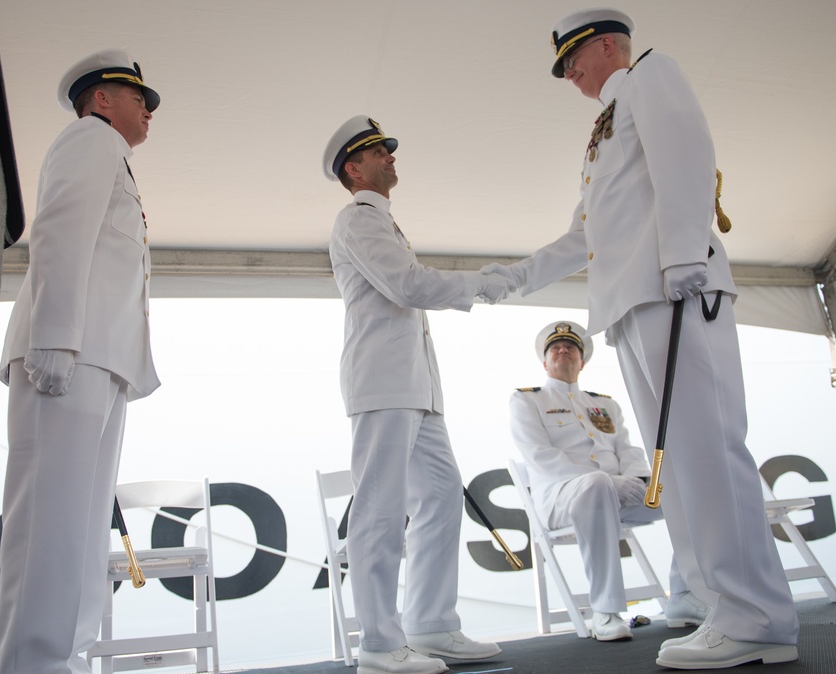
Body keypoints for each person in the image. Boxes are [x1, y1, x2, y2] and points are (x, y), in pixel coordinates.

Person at [486, 8, 799, 669]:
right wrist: (509, 280)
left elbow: (688, 150)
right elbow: (583, 236)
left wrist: (685, 253)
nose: (569, 73)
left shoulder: (651, 76)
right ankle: (725, 607)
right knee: (680, 462)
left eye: (574, 58)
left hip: (672, 287)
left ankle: (756, 615)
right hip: (633, 302)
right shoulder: (601, 133)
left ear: (607, 46)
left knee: (708, 451)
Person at [323, 115, 514, 674]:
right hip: (383, 383)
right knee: (380, 509)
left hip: (417, 386)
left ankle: (431, 624)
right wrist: (478, 284)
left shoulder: (385, 223)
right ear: (353, 169)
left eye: (388, 149)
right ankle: (380, 644)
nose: (390, 156)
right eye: (378, 152)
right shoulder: (357, 220)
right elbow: (406, 286)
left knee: (439, 494)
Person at [0, 49, 162, 674]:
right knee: (48, 524)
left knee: (80, 526)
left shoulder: (111, 154)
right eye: (137, 96)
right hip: (68, 352)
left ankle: (61, 658)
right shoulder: (88, 140)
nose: (149, 109)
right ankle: (31, 663)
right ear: (100, 100)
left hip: (99, 358)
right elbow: (61, 230)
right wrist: (56, 337)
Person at [510, 320, 708, 642]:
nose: (563, 350)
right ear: (544, 362)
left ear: (582, 361)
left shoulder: (604, 404)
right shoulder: (527, 400)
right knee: (598, 485)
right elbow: (540, 456)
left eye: (571, 347)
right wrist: (605, 480)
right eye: (555, 348)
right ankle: (605, 611)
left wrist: (634, 478)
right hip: (561, 499)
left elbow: (627, 449)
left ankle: (684, 595)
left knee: (686, 496)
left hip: (615, 495)